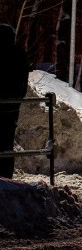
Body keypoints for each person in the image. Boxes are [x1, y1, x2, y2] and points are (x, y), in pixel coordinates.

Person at [0, 24, 30, 179]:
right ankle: (6, 175)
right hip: (13, 105)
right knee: (7, 141)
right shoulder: (19, 53)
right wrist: (19, 97)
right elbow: (23, 79)